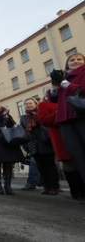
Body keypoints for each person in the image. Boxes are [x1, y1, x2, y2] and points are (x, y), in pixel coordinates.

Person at [38, 89, 85, 200]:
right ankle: (76, 192)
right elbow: (43, 119)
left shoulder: (70, 99)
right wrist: (60, 113)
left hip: (77, 133)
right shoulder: (44, 104)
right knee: (69, 164)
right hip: (60, 137)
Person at [48, 53, 85, 186]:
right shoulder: (64, 76)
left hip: (81, 116)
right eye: (72, 60)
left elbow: (81, 91)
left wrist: (65, 83)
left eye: (79, 59)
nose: (75, 62)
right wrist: (54, 88)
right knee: (76, 154)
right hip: (66, 119)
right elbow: (53, 99)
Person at [20, 98, 59, 195]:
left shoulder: (41, 112)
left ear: (36, 104)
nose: (28, 105)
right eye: (26, 103)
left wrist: (37, 118)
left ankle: (54, 187)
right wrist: (26, 145)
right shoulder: (24, 118)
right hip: (33, 145)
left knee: (50, 166)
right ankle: (46, 187)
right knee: (41, 167)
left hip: (45, 142)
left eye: (30, 103)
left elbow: (46, 125)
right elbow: (23, 132)